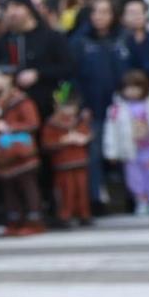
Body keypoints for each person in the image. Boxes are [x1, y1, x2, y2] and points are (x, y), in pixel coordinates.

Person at [71, 0, 128, 212]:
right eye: (95, 12)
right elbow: (73, 76)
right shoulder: (80, 42)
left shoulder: (122, 38)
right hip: (92, 106)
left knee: (123, 149)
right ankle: (96, 198)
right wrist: (79, 104)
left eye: (105, 12)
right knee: (93, 154)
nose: (100, 17)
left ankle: (131, 196)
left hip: (122, 106)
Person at [0, 65, 44, 235]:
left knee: (27, 186)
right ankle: (14, 221)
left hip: (21, 154)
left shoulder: (21, 100)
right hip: (2, 155)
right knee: (9, 190)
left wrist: (8, 127)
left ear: (8, 78)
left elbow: (32, 123)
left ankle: (34, 220)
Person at [104, 70, 149, 215]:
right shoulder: (117, 108)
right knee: (135, 178)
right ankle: (142, 200)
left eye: (136, 87)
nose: (132, 91)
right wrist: (111, 151)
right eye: (128, 88)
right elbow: (111, 131)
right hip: (131, 150)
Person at [0, 0, 74, 116]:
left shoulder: (51, 37)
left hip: (49, 106)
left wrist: (38, 73)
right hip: (18, 110)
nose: (11, 12)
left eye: (16, 7)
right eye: (8, 8)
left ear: (29, 9)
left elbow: (68, 67)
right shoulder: (8, 40)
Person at [41, 85, 96, 228]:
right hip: (62, 164)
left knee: (82, 190)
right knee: (66, 192)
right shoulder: (52, 123)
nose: (69, 111)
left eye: (72, 107)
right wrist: (64, 140)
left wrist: (83, 138)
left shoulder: (79, 121)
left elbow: (87, 134)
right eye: (65, 107)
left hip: (80, 162)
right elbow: (47, 143)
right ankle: (65, 216)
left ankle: (84, 214)